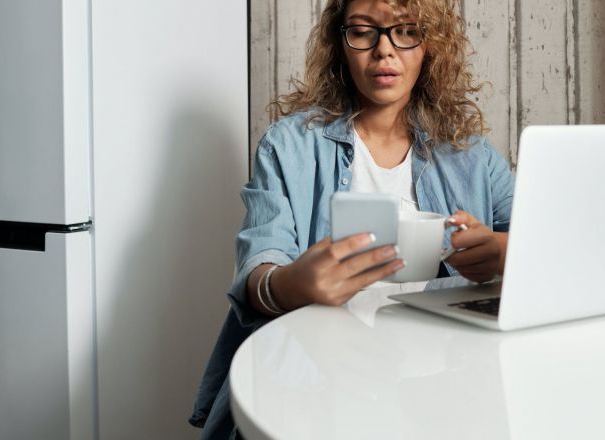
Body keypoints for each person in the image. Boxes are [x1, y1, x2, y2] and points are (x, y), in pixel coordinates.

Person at [190, 0, 514, 437]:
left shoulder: (469, 153)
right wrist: (289, 285)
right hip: (315, 386)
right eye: (363, 32)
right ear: (340, 43)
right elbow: (258, 263)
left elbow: (541, 241)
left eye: (406, 31)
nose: (384, 51)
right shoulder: (289, 147)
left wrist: (502, 252)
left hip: (445, 388)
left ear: (429, 46)